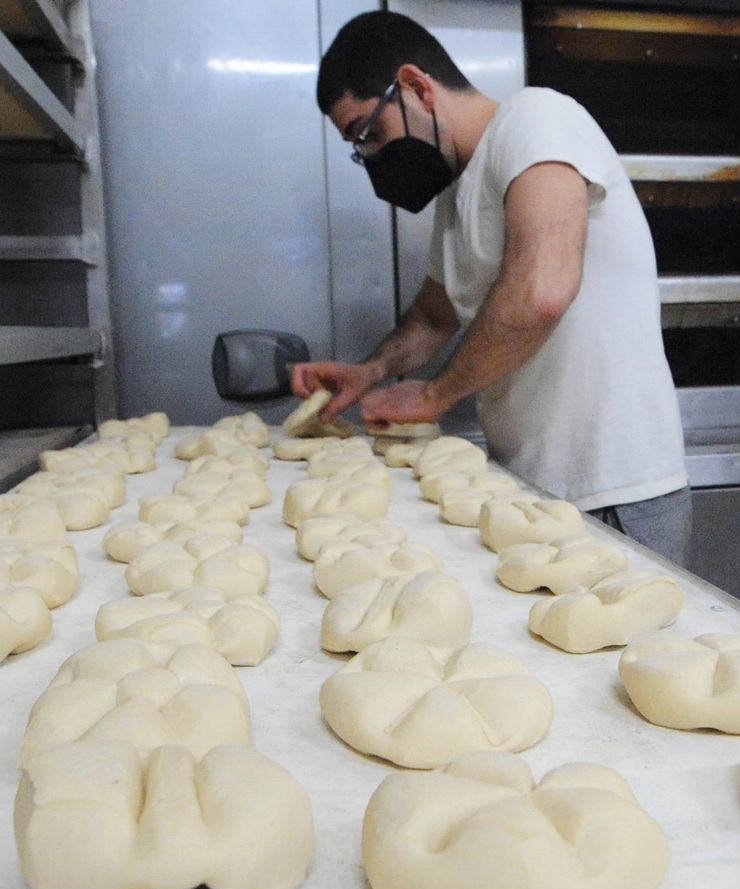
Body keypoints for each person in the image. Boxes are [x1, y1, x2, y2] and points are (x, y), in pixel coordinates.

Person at [293, 10, 692, 565]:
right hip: (527, 489)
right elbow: (434, 317)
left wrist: (435, 396)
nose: (374, 157)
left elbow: (543, 288)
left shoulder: (536, 120)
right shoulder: (458, 194)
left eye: (370, 131)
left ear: (415, 86)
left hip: (611, 490)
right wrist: (369, 371)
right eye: (359, 146)